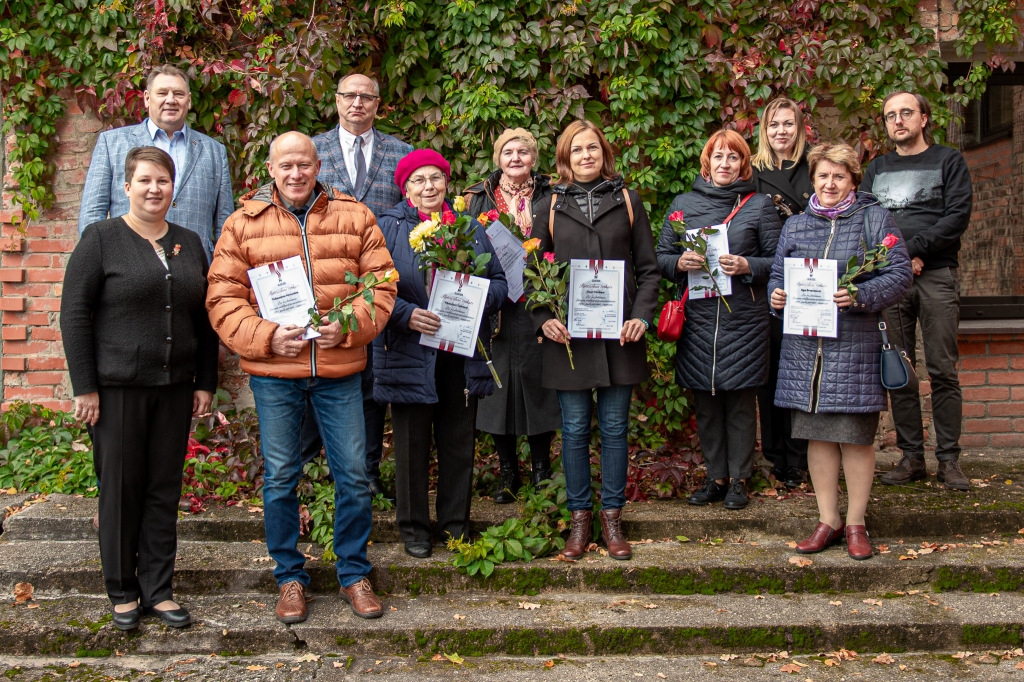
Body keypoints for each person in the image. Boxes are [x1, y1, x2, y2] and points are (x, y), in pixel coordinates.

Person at [206, 132, 397, 622]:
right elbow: (223, 297)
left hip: (338, 371)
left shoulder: (354, 216)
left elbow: (381, 284)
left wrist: (347, 327)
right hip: (275, 375)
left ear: (318, 166)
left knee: (354, 475)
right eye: (286, 165)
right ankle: (289, 577)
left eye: (304, 165)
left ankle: (353, 574)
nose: (296, 174)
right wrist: (267, 337)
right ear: (270, 169)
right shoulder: (242, 224)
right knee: (280, 478)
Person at [61, 147, 219, 631]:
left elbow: (204, 318)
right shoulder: (101, 238)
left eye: (163, 181)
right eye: (145, 180)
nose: (155, 189)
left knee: (162, 490)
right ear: (127, 187)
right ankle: (123, 591)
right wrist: (85, 386)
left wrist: (205, 382)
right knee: (121, 490)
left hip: (174, 388)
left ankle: (158, 589)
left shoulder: (189, 242)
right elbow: (74, 313)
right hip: (117, 390)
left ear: (173, 188)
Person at [769, 142, 913, 560]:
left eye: (839, 176)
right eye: (823, 176)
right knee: (818, 437)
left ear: (853, 180)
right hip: (805, 352)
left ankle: (856, 523)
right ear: (812, 179)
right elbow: (778, 274)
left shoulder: (874, 218)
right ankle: (827, 520)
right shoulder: (796, 226)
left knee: (854, 439)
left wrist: (860, 295)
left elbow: (900, 274)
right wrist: (776, 296)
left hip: (854, 347)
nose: (830, 184)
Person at [529, 120, 661, 561]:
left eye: (593, 148)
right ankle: (579, 520)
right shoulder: (549, 204)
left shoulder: (627, 201)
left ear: (604, 153)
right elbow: (532, 272)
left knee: (615, 428)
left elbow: (649, 269)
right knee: (572, 430)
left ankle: (612, 519)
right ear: (564, 158)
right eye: (577, 150)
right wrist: (544, 318)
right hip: (569, 338)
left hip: (619, 335)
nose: (586, 156)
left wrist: (641, 317)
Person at [372, 149, 508, 558]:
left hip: (459, 354)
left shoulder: (469, 226)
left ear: (447, 183)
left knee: (457, 442)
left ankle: (455, 525)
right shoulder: (388, 226)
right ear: (405, 188)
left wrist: (474, 300)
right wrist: (406, 315)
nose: (429, 186)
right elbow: (372, 287)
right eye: (418, 180)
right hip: (409, 351)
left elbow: (500, 283)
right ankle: (414, 528)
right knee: (410, 445)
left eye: (436, 178)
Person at [656, 130, 781, 510]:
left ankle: (739, 479)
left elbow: (779, 261)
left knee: (740, 399)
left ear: (744, 164)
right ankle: (716, 478)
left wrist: (747, 265)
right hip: (697, 318)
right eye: (718, 156)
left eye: (733, 157)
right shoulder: (682, 205)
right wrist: (679, 262)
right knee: (706, 399)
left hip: (744, 319)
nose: (725, 164)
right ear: (706, 163)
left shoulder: (759, 206)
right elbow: (660, 256)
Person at [306, 73, 414, 502]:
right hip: (324, 284)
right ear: (336, 101)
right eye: (349, 95)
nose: (357, 103)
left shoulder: (401, 153)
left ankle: (366, 471)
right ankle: (315, 469)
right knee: (319, 377)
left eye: (365, 97)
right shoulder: (311, 152)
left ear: (377, 104)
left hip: (380, 285)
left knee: (372, 383)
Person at [862, 91, 973, 491]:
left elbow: (957, 216)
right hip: (891, 279)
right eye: (890, 115)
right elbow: (865, 219)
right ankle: (911, 457)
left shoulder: (948, 161)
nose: (898, 121)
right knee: (900, 369)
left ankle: (949, 460)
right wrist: (898, 259)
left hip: (936, 275)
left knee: (942, 369)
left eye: (906, 113)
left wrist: (915, 250)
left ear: (923, 118)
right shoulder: (877, 168)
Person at [463, 128, 561, 502]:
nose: (515, 158)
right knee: (497, 389)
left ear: (534, 158)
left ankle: (541, 470)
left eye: (523, 151)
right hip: (497, 306)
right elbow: (466, 248)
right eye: (508, 152)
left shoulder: (552, 195)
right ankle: (507, 473)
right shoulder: (477, 198)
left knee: (540, 387)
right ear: (498, 159)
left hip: (539, 302)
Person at [78, 64, 234, 262]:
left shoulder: (214, 151)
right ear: (147, 98)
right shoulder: (112, 144)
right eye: (162, 93)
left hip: (195, 269)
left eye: (178, 94)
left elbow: (224, 224)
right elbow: (92, 214)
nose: (171, 100)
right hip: (128, 266)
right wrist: (101, 265)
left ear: (189, 100)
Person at [752, 98, 812, 489]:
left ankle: (800, 457)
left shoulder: (814, 167)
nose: (781, 132)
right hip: (767, 281)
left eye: (788, 124)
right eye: (774, 125)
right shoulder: (753, 171)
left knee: (801, 372)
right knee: (770, 371)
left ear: (800, 128)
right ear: (764, 130)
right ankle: (776, 455)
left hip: (808, 280)